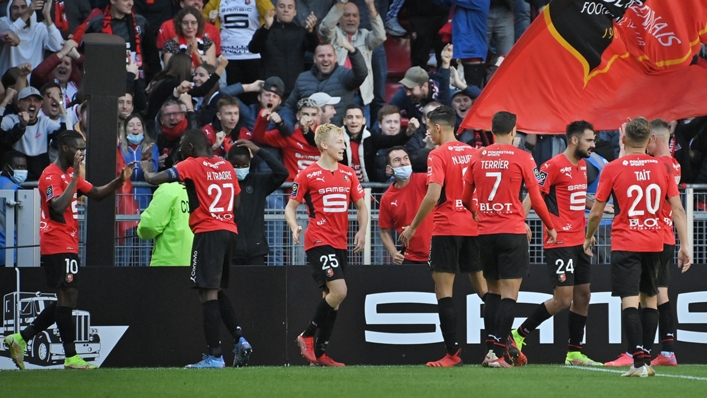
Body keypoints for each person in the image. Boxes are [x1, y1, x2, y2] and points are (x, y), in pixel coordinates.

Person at [4, 130, 136, 370]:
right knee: (68, 296)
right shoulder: (50, 175)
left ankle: (21, 338)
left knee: (67, 299)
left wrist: (119, 180)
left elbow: (95, 194)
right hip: (56, 242)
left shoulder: (67, 175)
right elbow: (57, 207)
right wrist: (75, 177)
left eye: (84, 150)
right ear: (65, 149)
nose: (81, 154)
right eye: (79, 149)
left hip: (69, 241)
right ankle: (70, 356)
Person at [584, 117, 691, 377]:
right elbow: (677, 208)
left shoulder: (614, 168)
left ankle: (638, 361)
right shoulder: (662, 168)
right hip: (656, 242)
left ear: (623, 139)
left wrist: (588, 237)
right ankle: (645, 356)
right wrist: (685, 244)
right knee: (650, 300)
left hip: (626, 242)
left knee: (629, 301)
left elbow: (597, 212)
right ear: (648, 140)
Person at [141, 129, 252, 369]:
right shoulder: (226, 166)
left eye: (182, 145)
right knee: (216, 288)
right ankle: (239, 339)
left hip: (208, 232)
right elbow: (237, 201)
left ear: (191, 146)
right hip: (229, 231)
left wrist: (146, 167)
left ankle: (216, 357)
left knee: (207, 293)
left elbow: (153, 180)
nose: (180, 150)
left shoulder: (190, 164)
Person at [461, 110, 557, 368]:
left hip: (486, 233)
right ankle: (498, 354)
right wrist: (550, 226)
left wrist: (477, 212)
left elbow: (463, 198)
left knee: (492, 292)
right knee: (509, 296)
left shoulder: (477, 156)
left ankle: (490, 351)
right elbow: (536, 199)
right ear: (514, 131)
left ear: (493, 131)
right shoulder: (523, 156)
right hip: (512, 231)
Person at [399, 106, 488, 367]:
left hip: (447, 228)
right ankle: (504, 342)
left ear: (439, 127)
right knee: (484, 289)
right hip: (473, 228)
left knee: (444, 292)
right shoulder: (473, 152)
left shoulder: (437, 154)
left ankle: (452, 354)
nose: (428, 133)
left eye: (429, 128)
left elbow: (433, 195)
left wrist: (413, 227)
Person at [509, 121, 602, 366]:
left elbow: (575, 196)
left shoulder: (583, 166)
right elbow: (534, 194)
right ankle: (519, 334)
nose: (593, 144)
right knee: (563, 299)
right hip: (559, 239)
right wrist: (521, 221)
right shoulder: (552, 166)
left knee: (584, 295)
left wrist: (597, 206)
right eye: (589, 140)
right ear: (574, 140)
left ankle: (574, 353)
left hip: (580, 240)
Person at [286, 123, 368, 367]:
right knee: (340, 291)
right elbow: (290, 207)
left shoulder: (348, 173)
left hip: (340, 242)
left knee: (333, 298)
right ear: (323, 145)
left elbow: (362, 206)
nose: (343, 145)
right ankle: (307, 335)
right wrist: (294, 226)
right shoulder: (307, 174)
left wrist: (362, 230)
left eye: (343, 141)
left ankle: (319, 356)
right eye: (339, 141)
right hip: (318, 240)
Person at [319, 0, 386, 121]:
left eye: (355, 15)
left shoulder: (365, 36)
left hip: (361, 98)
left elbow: (380, 36)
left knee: (361, 137)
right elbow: (326, 27)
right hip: (337, 97)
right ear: (339, 18)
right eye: (347, 15)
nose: (351, 19)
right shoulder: (333, 35)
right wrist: (341, 2)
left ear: (360, 19)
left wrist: (371, 6)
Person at [228, 139, 288, 265]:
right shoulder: (223, 184)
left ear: (250, 163)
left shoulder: (258, 182)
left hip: (256, 251)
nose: (240, 168)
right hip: (231, 251)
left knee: (256, 285)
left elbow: (282, 173)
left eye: (244, 165)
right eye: (236, 165)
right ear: (228, 163)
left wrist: (260, 151)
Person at [248, 0, 318, 98]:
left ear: (295, 12)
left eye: (290, 7)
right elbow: (253, 48)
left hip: (295, 90)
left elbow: (315, 49)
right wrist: (266, 28)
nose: (286, 10)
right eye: (282, 6)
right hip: (271, 90)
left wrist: (311, 32)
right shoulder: (266, 30)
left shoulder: (301, 32)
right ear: (275, 10)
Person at [285, 43, 367, 126]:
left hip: (337, 133)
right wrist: (288, 127)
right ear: (314, 59)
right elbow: (290, 107)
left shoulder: (343, 75)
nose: (325, 59)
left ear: (335, 58)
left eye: (329, 55)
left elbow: (361, 74)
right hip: (308, 134)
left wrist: (353, 51)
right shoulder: (303, 78)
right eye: (321, 56)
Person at [0, 86, 69, 180]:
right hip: (16, 179)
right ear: (19, 104)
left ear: (41, 104)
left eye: (36, 100)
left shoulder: (45, 122)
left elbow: (66, 136)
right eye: (28, 100)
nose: (32, 103)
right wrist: (21, 126)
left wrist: (59, 103)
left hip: (39, 179)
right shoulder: (11, 119)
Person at [378, 146, 432, 264]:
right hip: (410, 258)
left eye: (406, 158)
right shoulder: (387, 198)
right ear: (389, 168)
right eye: (397, 160)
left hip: (438, 254)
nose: (403, 162)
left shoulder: (425, 180)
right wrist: (394, 253)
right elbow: (384, 231)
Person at [252, 98, 321, 182]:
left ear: (318, 117)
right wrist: (262, 119)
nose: (309, 118)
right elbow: (258, 138)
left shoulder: (327, 135)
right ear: (298, 116)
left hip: (319, 187)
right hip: (295, 188)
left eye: (313, 115)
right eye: (306, 114)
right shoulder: (289, 135)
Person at [341, 104, 414, 183]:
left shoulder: (371, 136)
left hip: (369, 190)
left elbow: (392, 141)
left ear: (364, 120)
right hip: (343, 186)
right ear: (344, 121)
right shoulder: (336, 137)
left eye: (358, 117)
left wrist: (408, 133)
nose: (354, 121)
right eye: (350, 117)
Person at [390, 44, 452, 121]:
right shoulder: (404, 93)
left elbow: (447, 117)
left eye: (411, 89)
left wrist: (445, 63)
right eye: (406, 88)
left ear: (425, 86)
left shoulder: (440, 88)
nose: (407, 93)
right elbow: (386, 113)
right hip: (418, 132)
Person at [137, 182, 194, 267]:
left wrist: (140, 230)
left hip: (169, 264)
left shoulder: (168, 190)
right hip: (198, 264)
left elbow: (149, 226)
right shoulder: (204, 191)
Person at [0, 0, 63, 76]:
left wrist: (47, 16)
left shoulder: (39, 28)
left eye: (24, 7)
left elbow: (58, 46)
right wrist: (27, 13)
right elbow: (9, 34)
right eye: (15, 8)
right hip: (8, 83)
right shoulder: (3, 22)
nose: (20, 11)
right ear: (9, 10)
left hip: (32, 84)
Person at [0, 150, 26, 266]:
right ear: (7, 167)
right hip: (9, 251)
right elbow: (24, 223)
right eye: (18, 167)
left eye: (24, 167)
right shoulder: (15, 190)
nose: (22, 171)